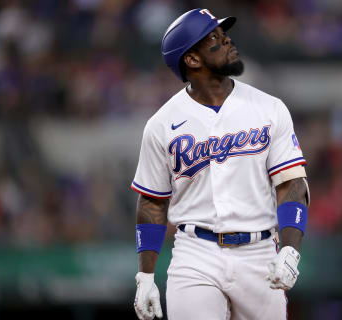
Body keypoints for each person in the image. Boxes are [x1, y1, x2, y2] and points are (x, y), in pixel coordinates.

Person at [131, 8, 309, 320]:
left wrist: (291, 249)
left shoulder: (269, 108)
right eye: (213, 38)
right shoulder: (161, 124)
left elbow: (291, 183)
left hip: (260, 251)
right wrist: (145, 277)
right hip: (195, 253)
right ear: (192, 60)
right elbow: (152, 202)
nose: (226, 40)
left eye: (222, 33)